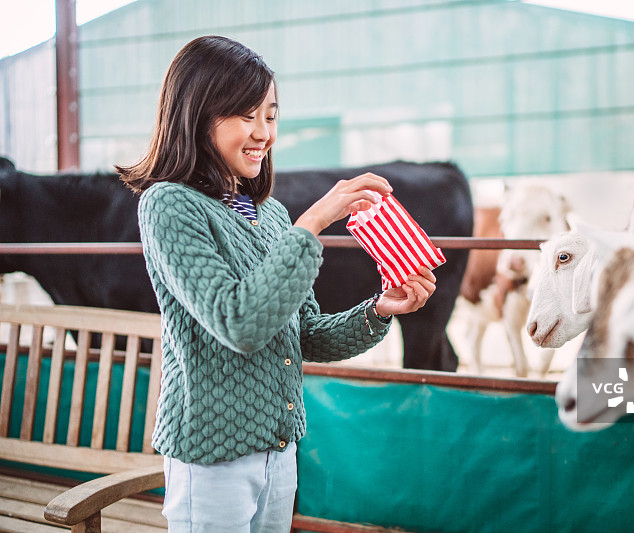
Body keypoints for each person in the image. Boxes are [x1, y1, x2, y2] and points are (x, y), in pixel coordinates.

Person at [116, 35, 436, 533]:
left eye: (270, 115)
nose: (263, 132)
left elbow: (306, 334)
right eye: (246, 115)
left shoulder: (270, 215)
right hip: (211, 457)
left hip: (279, 451)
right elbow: (238, 322)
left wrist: (379, 310)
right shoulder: (168, 205)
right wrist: (312, 225)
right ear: (197, 115)